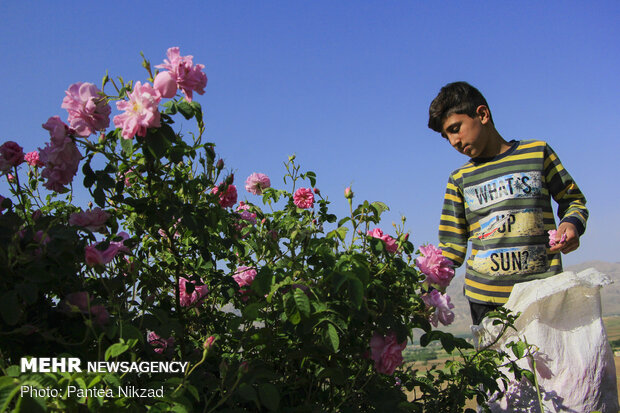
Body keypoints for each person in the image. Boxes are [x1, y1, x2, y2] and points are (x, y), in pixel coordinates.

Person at [427, 81, 588, 325]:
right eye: (447, 136)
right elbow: (451, 245)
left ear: (482, 114)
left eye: (456, 128)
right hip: (486, 302)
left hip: (543, 292)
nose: (454, 142)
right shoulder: (459, 179)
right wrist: (427, 286)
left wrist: (572, 224)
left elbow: (573, 200)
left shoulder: (537, 153)